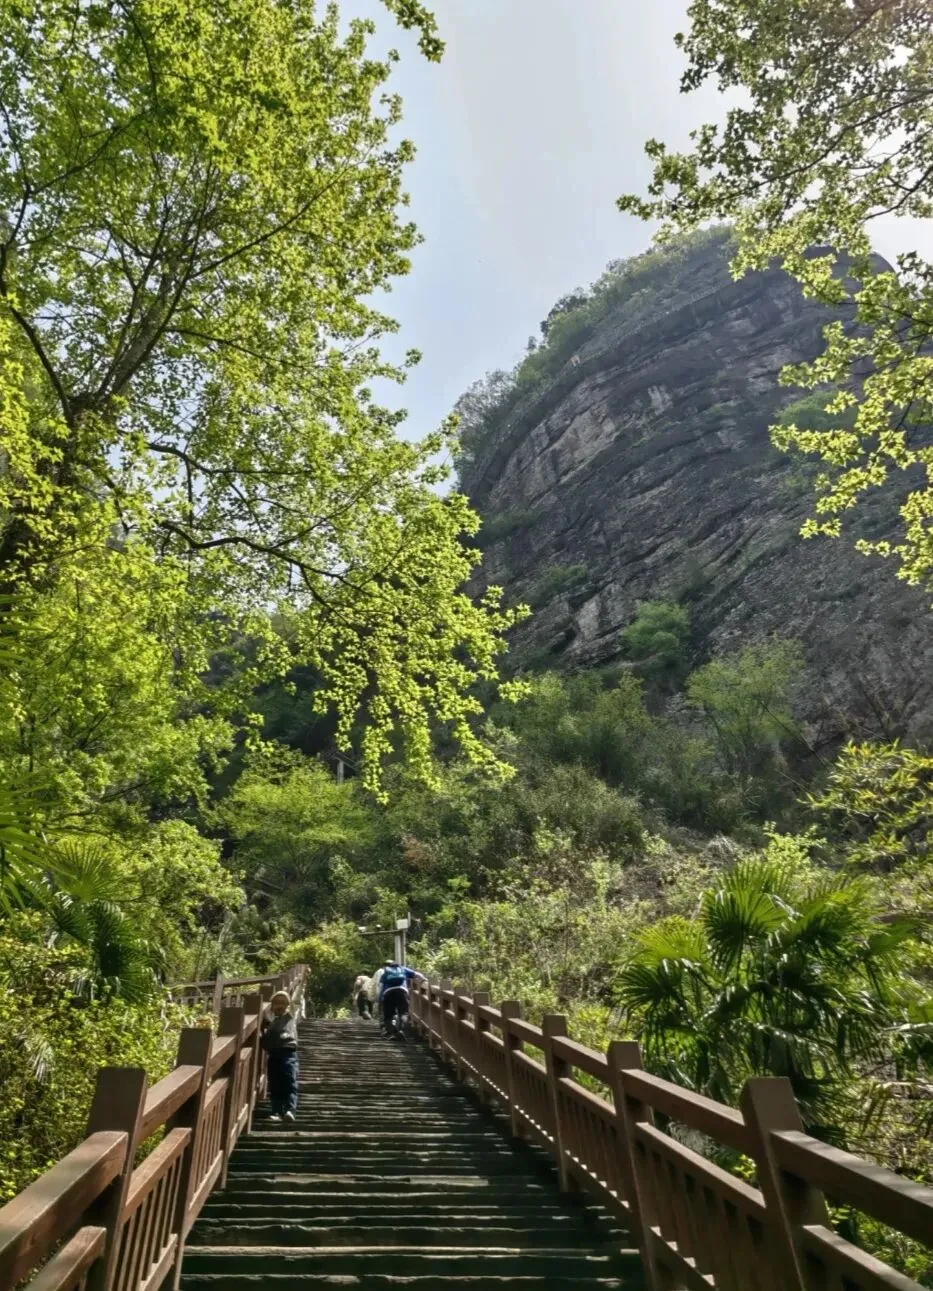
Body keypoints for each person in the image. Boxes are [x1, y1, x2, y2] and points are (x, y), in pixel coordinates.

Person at [261, 989, 299, 1123]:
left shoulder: (289, 1017)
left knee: (289, 1082)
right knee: (275, 1084)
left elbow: (296, 999)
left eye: (283, 1003)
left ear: (288, 1006)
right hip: (274, 1054)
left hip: (288, 1053)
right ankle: (276, 1111)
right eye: (277, 1003)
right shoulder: (270, 1020)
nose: (280, 1006)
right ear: (271, 1006)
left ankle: (289, 1110)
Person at [378, 960, 426, 1039]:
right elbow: (418, 974)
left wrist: (380, 998)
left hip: (388, 993)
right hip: (402, 992)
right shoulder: (403, 969)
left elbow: (380, 986)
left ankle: (393, 1033)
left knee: (389, 1015)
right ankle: (402, 1030)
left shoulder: (385, 973)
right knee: (403, 1013)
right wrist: (424, 980)